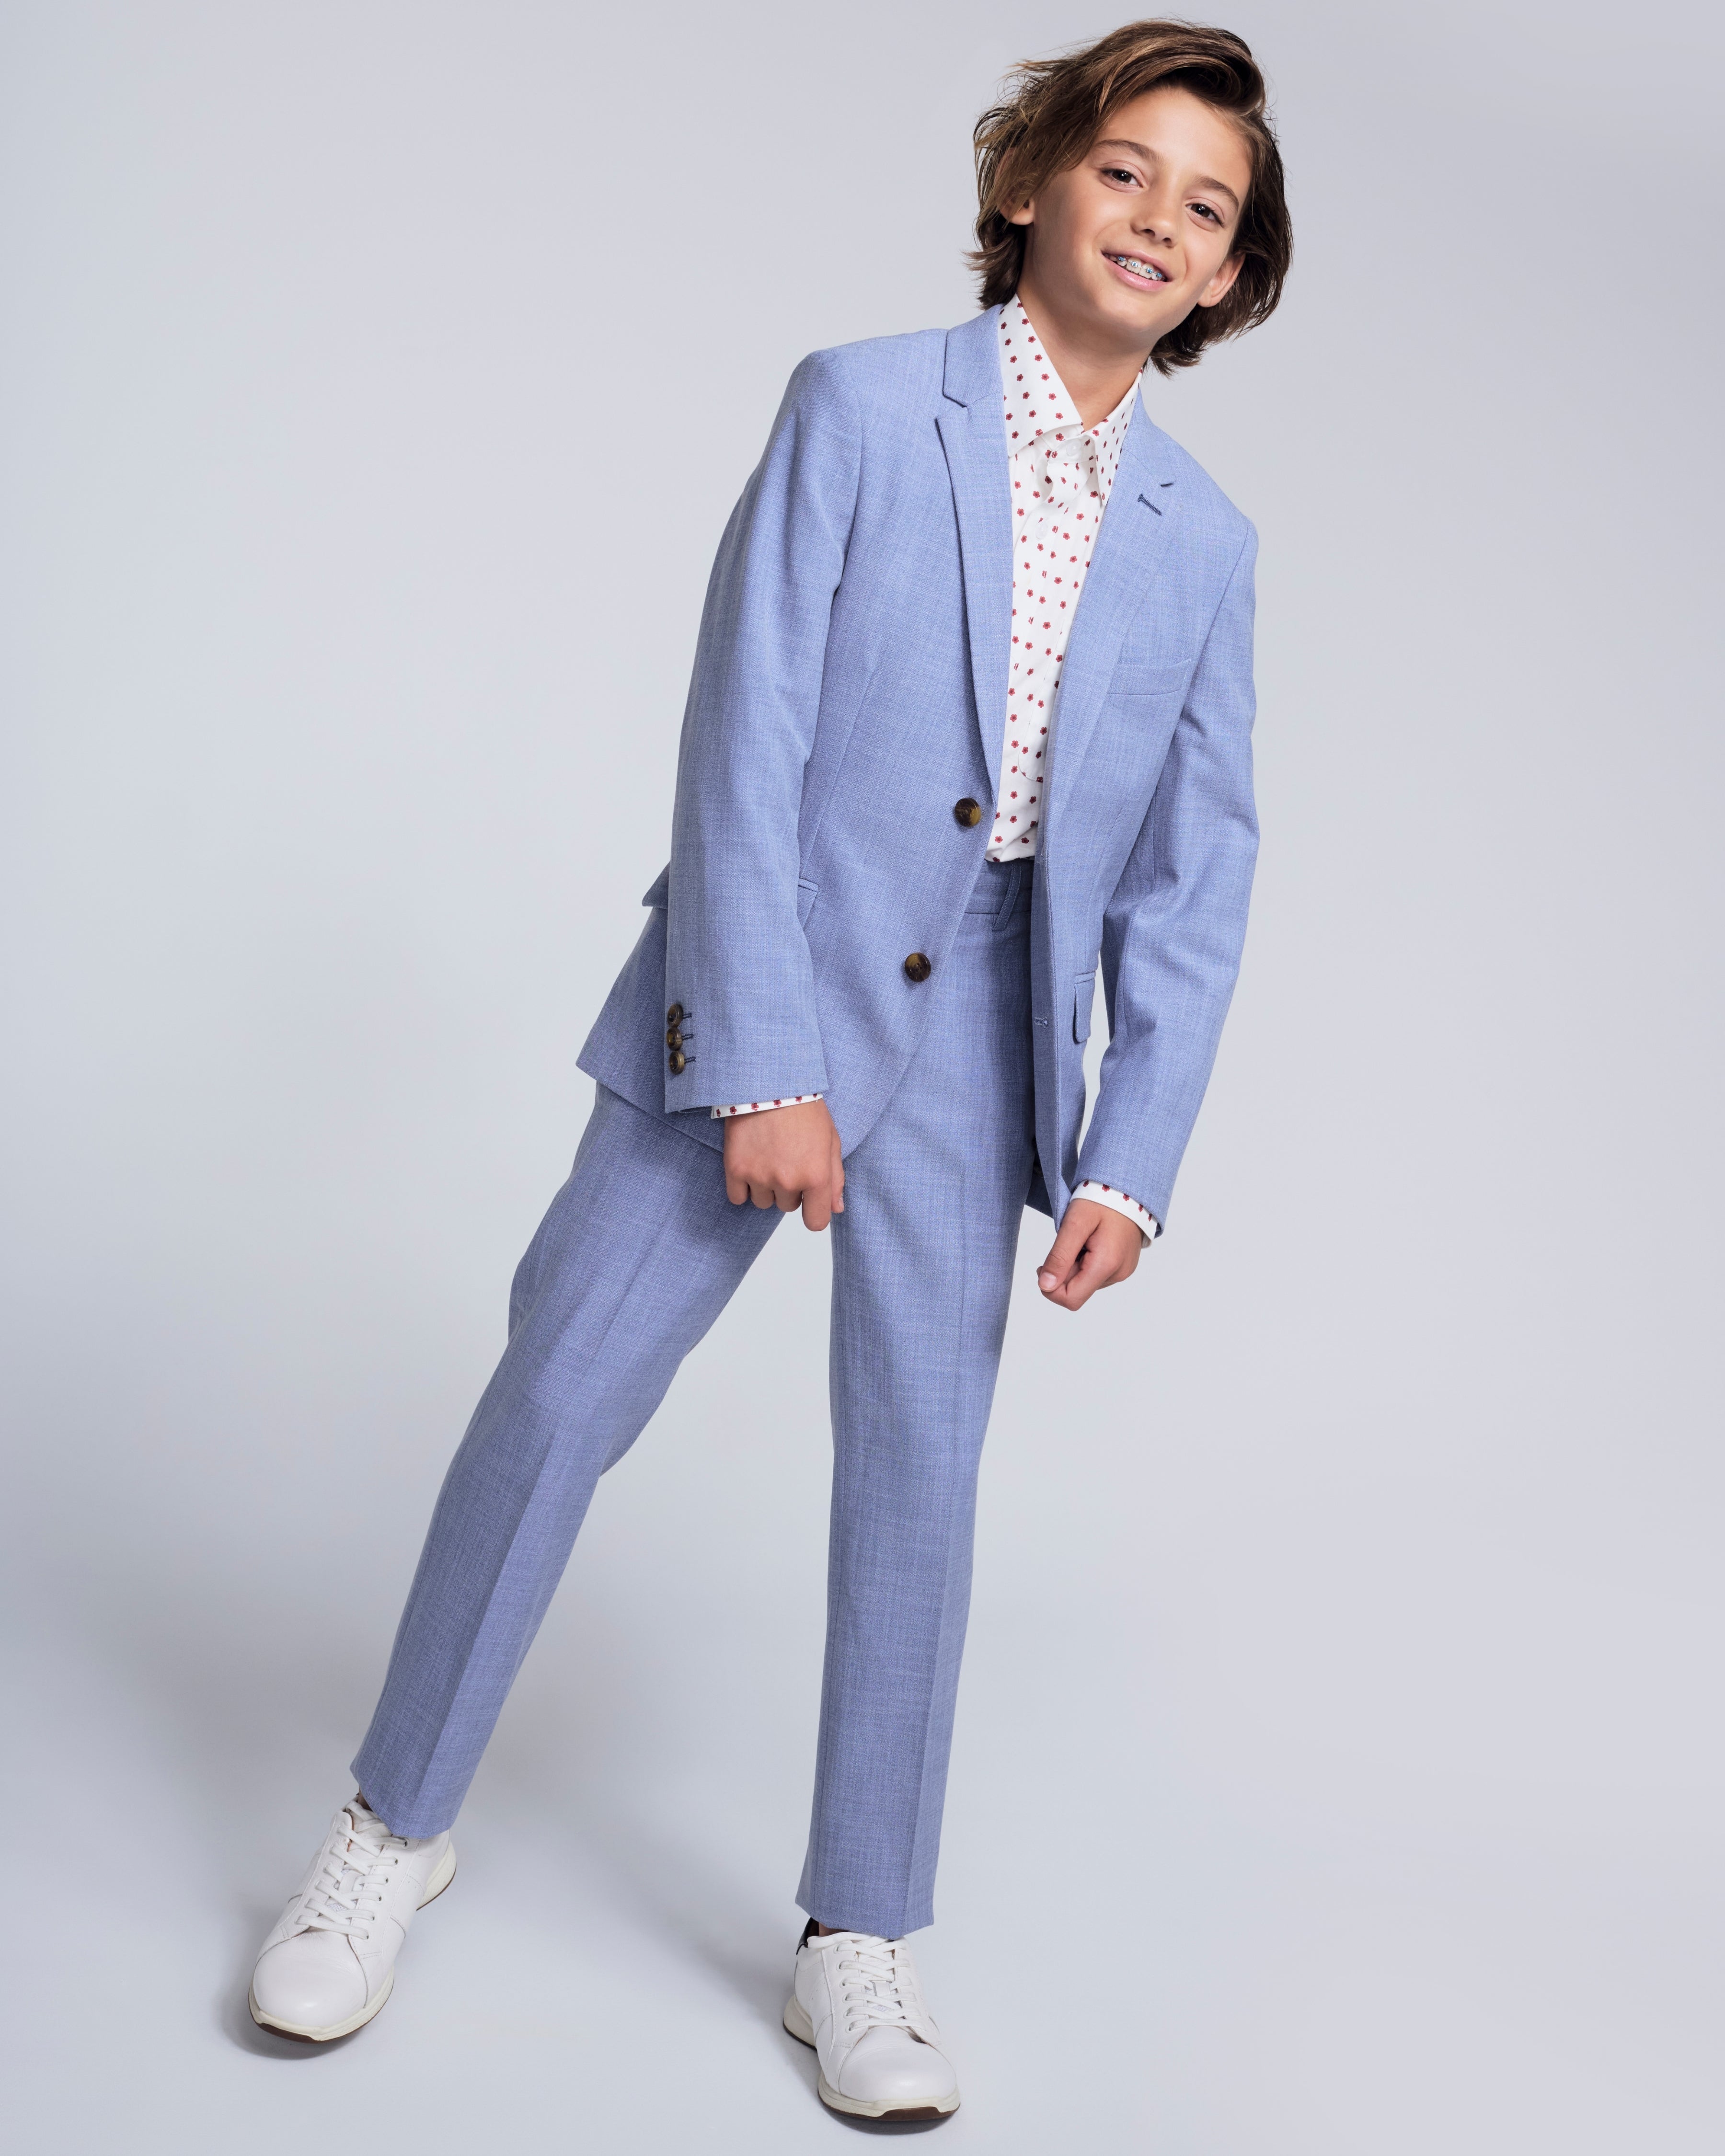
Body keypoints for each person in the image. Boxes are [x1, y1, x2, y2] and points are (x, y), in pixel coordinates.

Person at [246, 18, 1292, 2122]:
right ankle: (391, 1830)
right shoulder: (859, 405)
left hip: (995, 1038)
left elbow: (1197, 873)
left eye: (1214, 207)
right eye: (1131, 173)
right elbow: (748, 726)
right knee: (557, 1397)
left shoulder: (1205, 539)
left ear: (1235, 272)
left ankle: (864, 1936)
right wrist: (763, 1065)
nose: (1164, 222)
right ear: (1030, 184)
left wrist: (1136, 1153)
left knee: (920, 1483)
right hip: (764, 972)